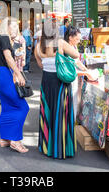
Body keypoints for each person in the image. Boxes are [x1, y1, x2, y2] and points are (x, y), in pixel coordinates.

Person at [34, 20, 79, 159]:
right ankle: (61, 148)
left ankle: (47, 146)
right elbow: (76, 55)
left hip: (46, 82)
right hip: (60, 82)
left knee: (48, 112)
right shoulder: (60, 43)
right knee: (61, 113)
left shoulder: (38, 46)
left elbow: (40, 65)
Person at [0, 17, 29, 153]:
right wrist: (19, 74)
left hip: (0, 75)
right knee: (23, 106)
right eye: (13, 26)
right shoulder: (4, 37)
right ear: (6, 27)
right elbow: (8, 58)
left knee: (7, 108)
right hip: (3, 75)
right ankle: (15, 140)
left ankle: (5, 139)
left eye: (16, 27)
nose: (16, 30)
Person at [64, 26, 99, 123]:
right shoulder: (66, 48)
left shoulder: (73, 46)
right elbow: (69, 69)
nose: (79, 41)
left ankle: (72, 121)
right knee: (70, 102)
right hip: (69, 79)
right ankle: (69, 124)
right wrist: (86, 73)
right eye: (77, 39)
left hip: (75, 78)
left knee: (75, 101)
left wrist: (86, 69)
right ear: (70, 37)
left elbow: (77, 61)